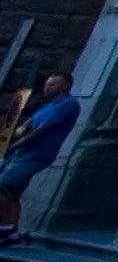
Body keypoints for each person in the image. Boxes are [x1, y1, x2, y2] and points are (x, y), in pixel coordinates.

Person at [0, 69, 75, 244]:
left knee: (2, 186)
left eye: (52, 84)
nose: (46, 87)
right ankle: (12, 232)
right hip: (23, 153)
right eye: (47, 83)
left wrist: (15, 145)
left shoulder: (68, 105)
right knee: (13, 193)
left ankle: (5, 227)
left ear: (64, 86)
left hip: (36, 155)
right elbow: (25, 126)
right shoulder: (48, 106)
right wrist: (21, 132)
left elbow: (42, 130)